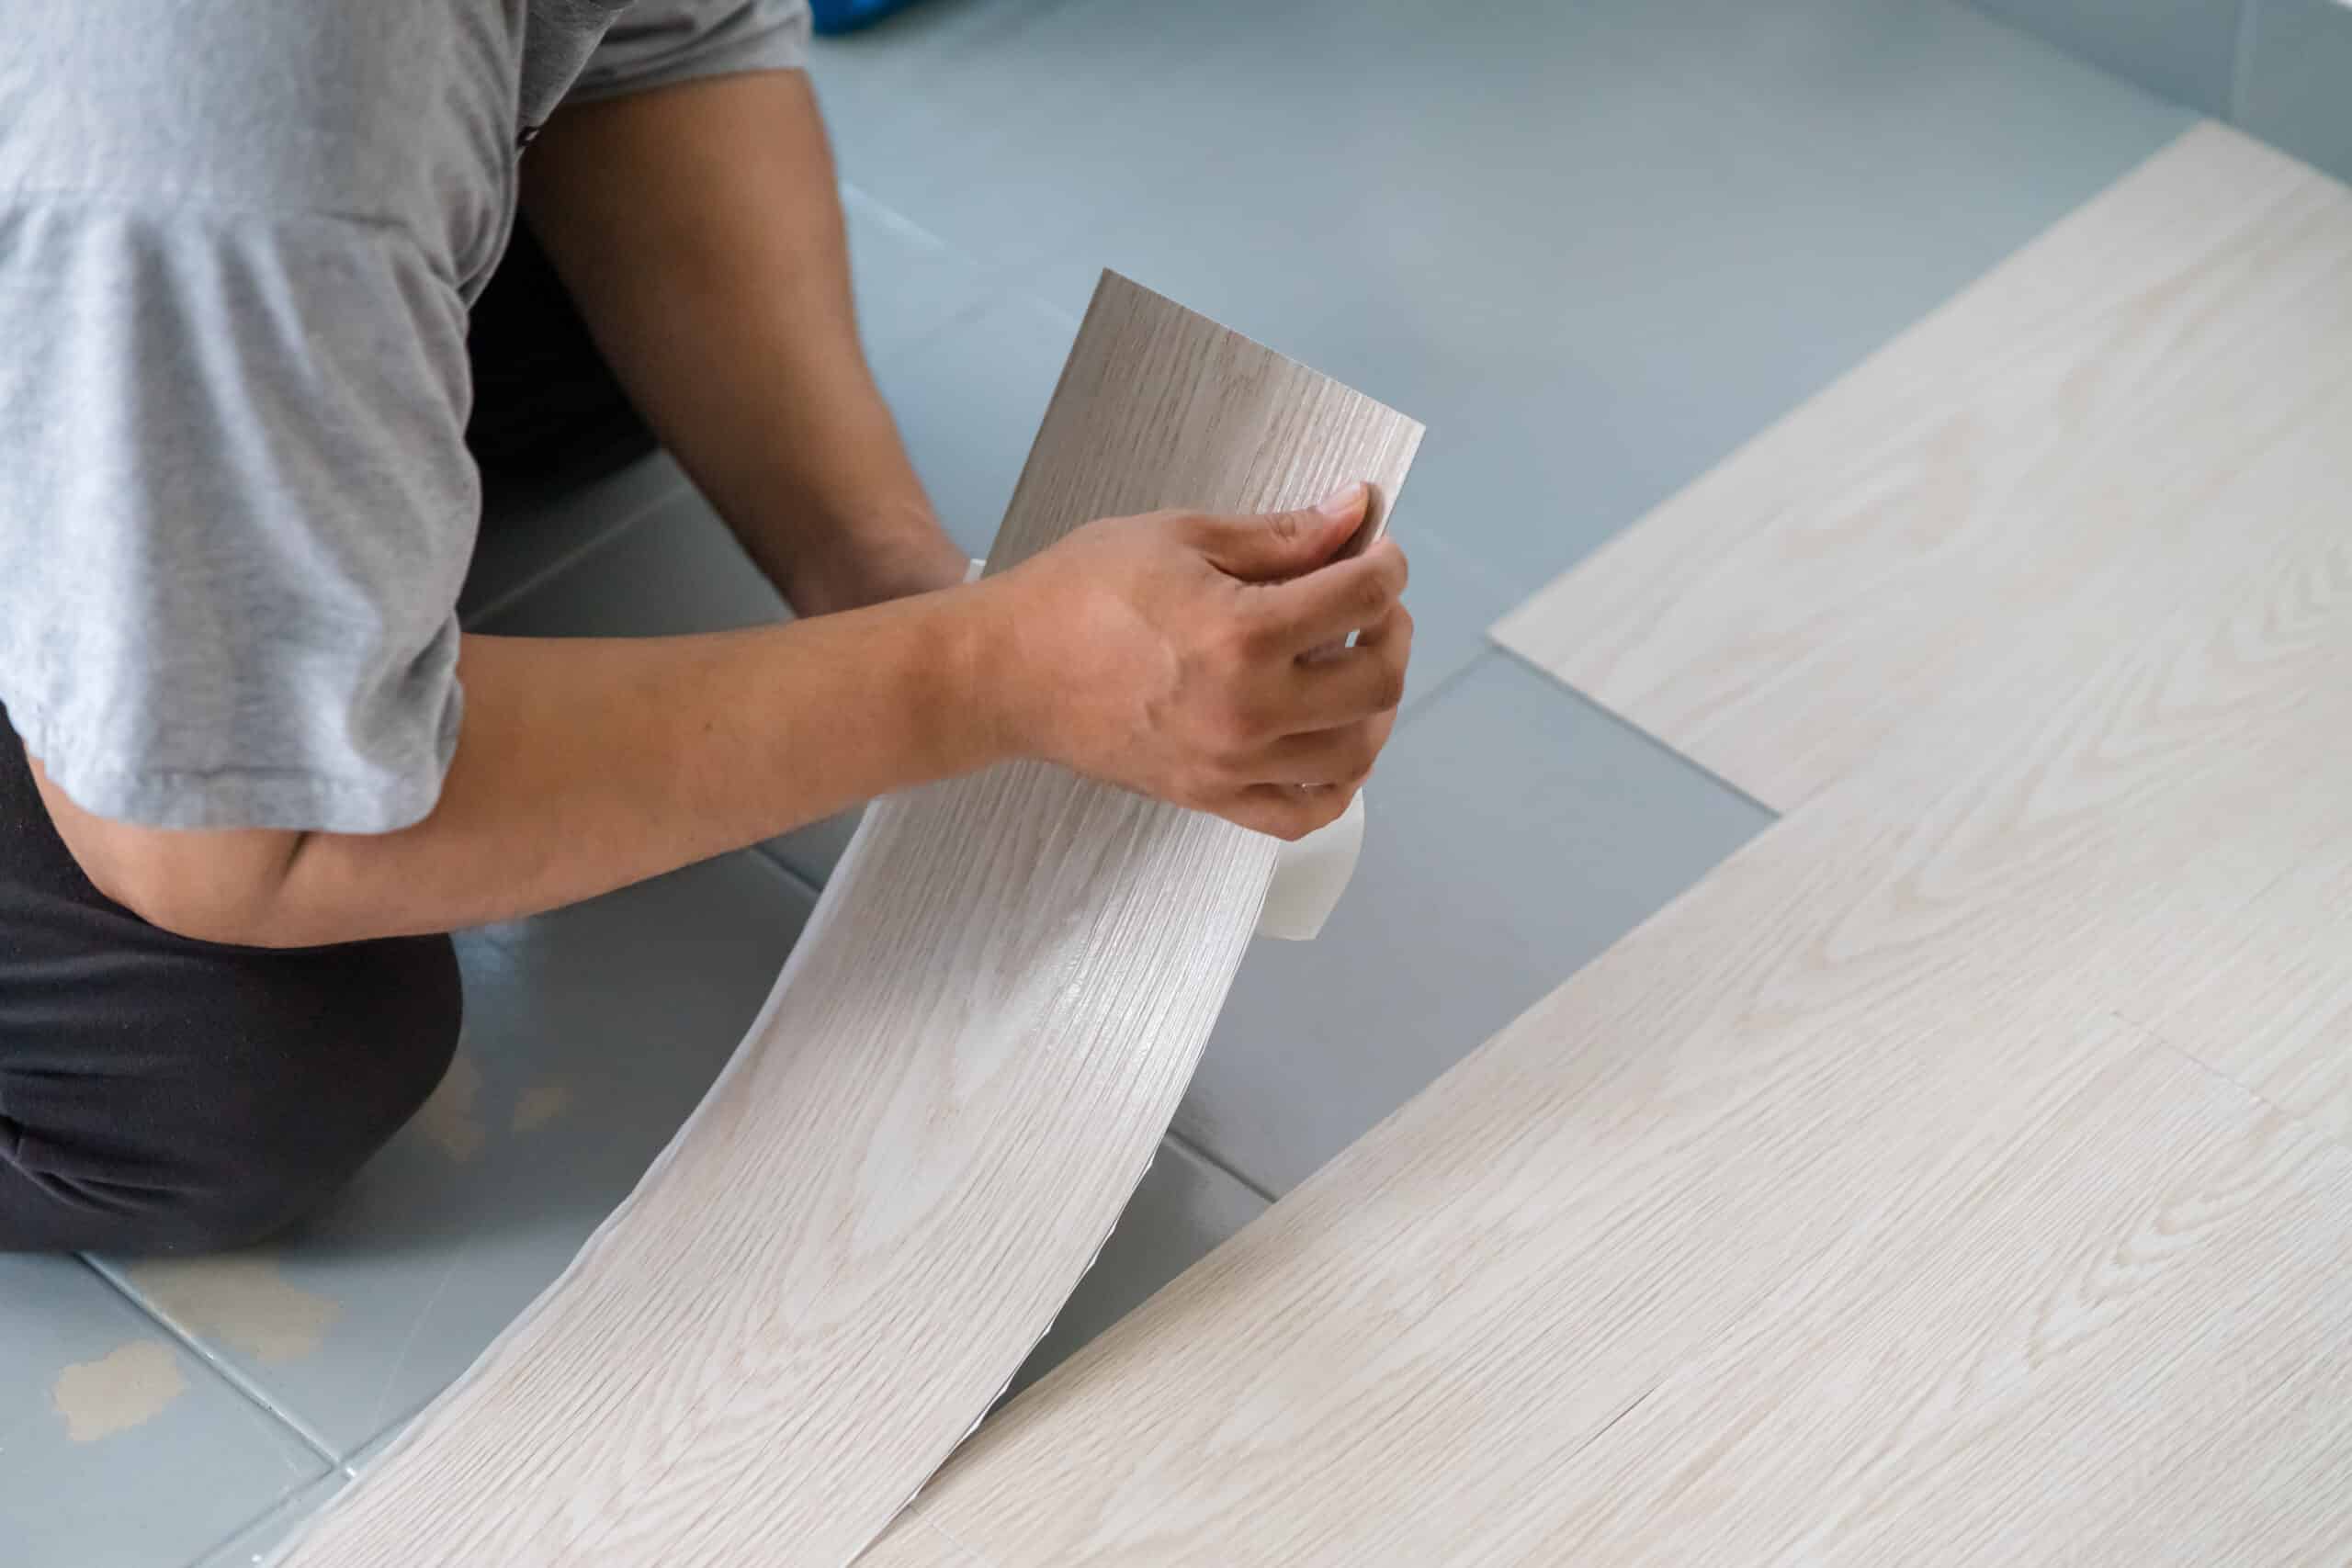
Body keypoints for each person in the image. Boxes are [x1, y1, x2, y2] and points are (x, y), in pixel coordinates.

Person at [0, 1, 1412, 1253]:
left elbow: (654, 50)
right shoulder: (227, 113)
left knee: (558, 280)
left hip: (192, 184)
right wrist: (988, 674)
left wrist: (888, 576)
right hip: (176, 151)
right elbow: (231, 844)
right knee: (227, 1069)